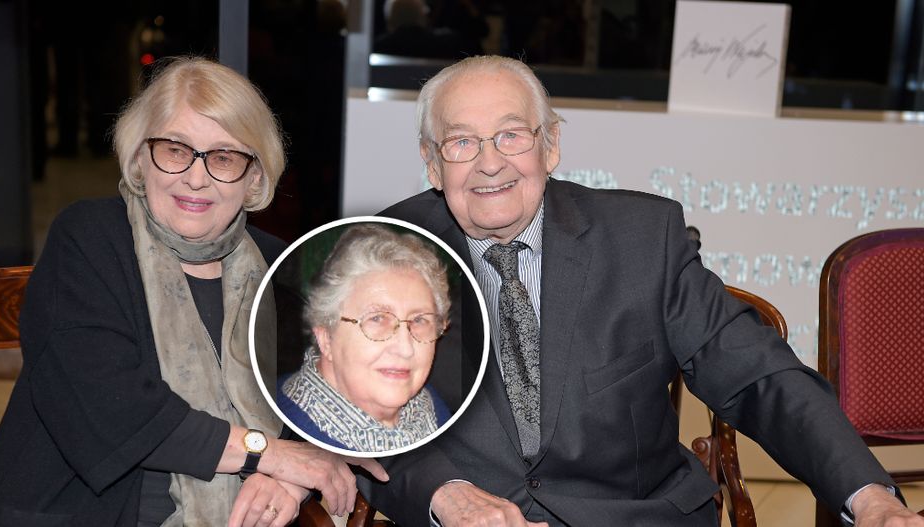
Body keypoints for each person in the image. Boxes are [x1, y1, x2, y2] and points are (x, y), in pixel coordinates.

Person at [365, 55, 924, 526]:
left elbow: (761, 379)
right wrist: (445, 495)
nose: (490, 164)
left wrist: (869, 497)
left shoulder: (643, 240)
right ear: (431, 163)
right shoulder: (380, 253)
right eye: (461, 142)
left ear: (550, 144)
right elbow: (352, 414)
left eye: (511, 136)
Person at [0, 57, 387, 527]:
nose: (196, 178)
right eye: (176, 150)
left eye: (224, 158)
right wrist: (267, 454)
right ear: (140, 157)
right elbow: (111, 407)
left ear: (254, 177)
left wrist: (288, 480)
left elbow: (330, 403)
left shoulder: (280, 268)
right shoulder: (89, 238)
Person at [277, 223, 452, 452]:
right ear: (326, 338)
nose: (405, 348)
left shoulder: (432, 408)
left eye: (419, 320)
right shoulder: (282, 434)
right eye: (377, 318)